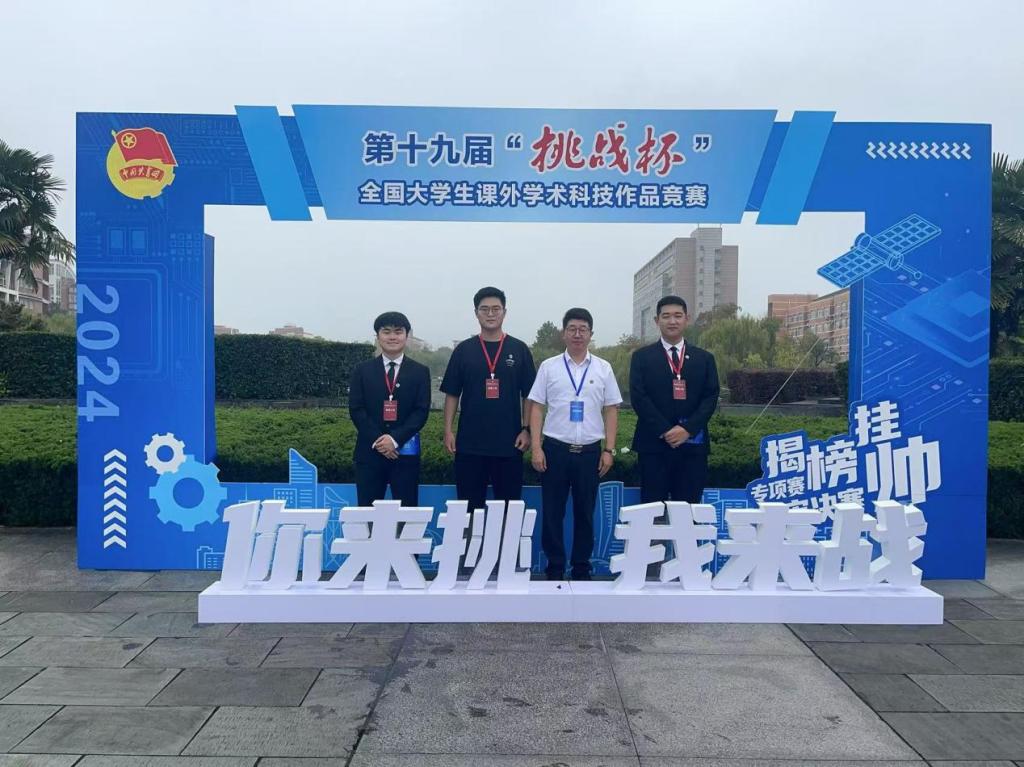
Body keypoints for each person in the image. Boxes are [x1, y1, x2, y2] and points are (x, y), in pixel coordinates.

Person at [528, 308, 621, 581]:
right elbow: (536, 407)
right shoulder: (549, 367)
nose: (577, 334)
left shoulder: (603, 368)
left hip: (590, 452)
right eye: (572, 329)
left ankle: (582, 568)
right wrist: (536, 447)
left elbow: (611, 410)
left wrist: (609, 449)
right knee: (552, 513)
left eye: (583, 329)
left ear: (591, 334)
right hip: (555, 450)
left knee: (585, 514)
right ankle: (555, 567)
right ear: (563, 333)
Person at [441, 286, 536, 514]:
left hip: (510, 444)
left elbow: (529, 395)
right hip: (469, 445)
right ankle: (470, 541)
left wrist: (527, 430)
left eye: (496, 309)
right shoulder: (463, 350)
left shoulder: (519, 349)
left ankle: (506, 541)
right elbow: (452, 393)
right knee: (469, 511)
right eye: (484, 309)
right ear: (476, 313)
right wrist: (448, 430)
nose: (490, 314)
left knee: (508, 512)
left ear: (505, 312)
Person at [629, 295, 720, 504]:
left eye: (678, 316)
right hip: (653, 445)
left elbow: (710, 397)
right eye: (666, 316)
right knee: (652, 510)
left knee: (688, 510)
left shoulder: (704, 359)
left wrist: (687, 429)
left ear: (687, 319)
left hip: (692, 446)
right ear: (657, 320)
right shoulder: (642, 357)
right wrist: (666, 430)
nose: (672, 321)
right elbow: (639, 397)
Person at [348, 311, 431, 507]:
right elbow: (357, 409)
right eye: (386, 332)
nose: (392, 337)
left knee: (406, 513)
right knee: (367, 513)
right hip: (369, 453)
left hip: (405, 453)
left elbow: (421, 411)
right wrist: (380, 441)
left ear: (407, 336)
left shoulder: (420, 372)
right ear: (378, 336)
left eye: (398, 332)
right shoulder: (362, 370)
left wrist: (394, 440)